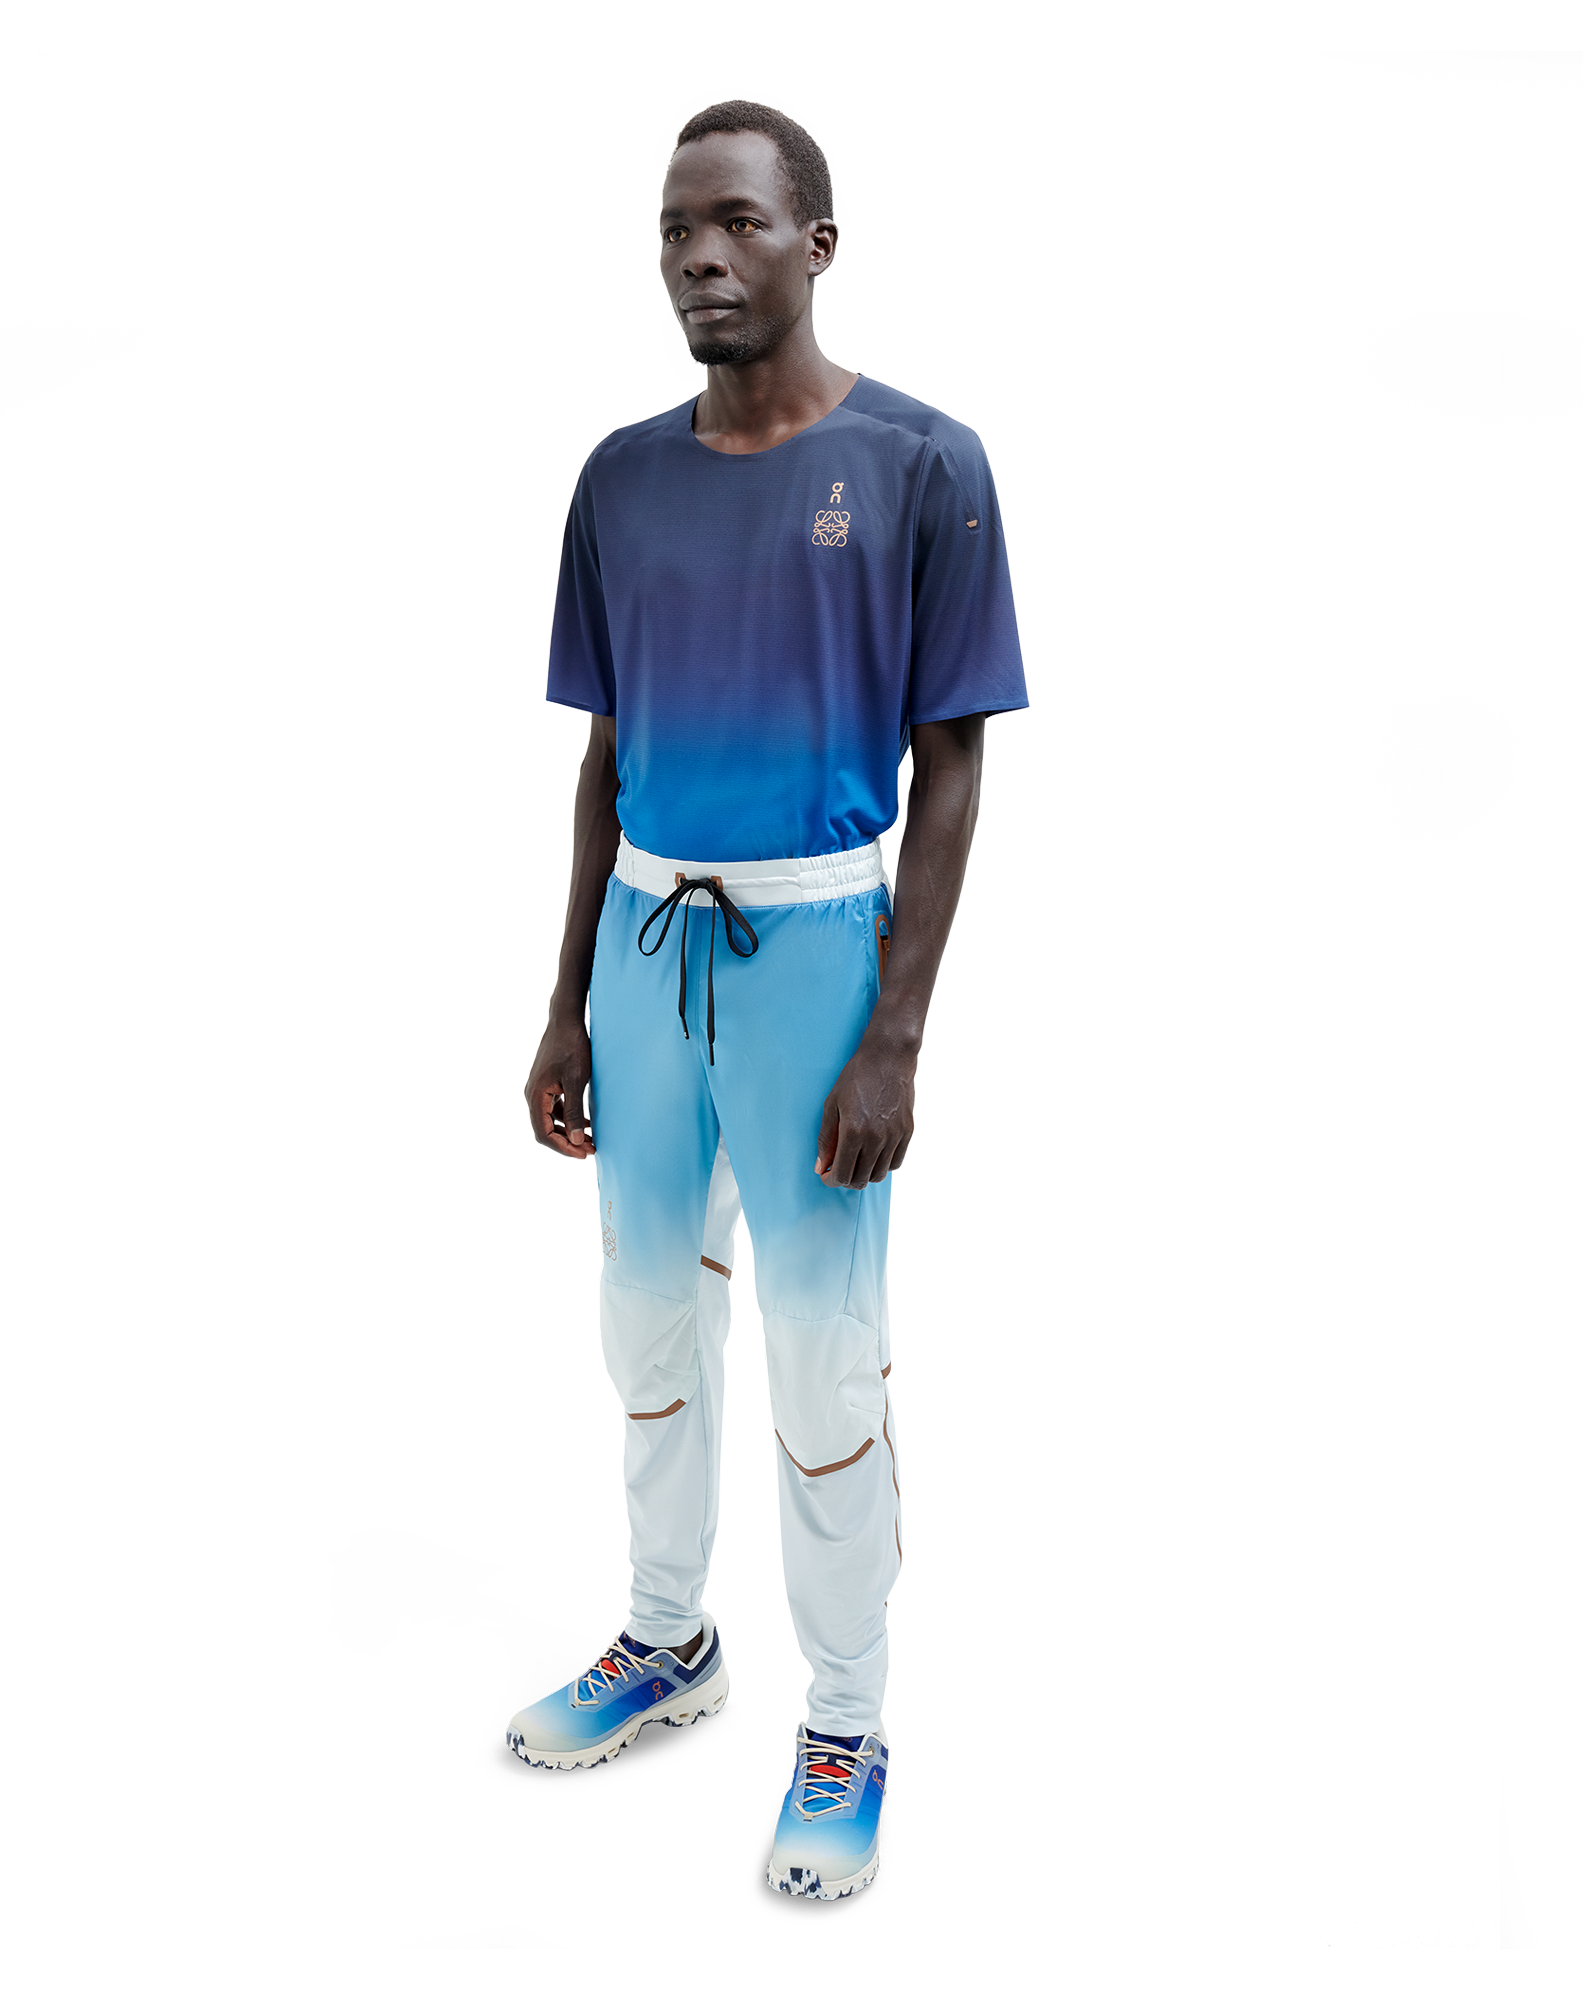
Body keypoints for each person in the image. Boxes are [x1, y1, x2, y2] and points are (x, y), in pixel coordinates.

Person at [505, 99, 1027, 1902]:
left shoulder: (924, 464)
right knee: (649, 1321)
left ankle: (845, 1725)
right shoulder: (615, 480)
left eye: (736, 222)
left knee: (821, 1355)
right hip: (646, 953)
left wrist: (894, 1033)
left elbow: (953, 765)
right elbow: (603, 757)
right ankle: (666, 1635)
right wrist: (564, 1011)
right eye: (676, 231)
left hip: (817, 956)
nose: (701, 258)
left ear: (819, 243)